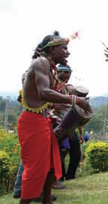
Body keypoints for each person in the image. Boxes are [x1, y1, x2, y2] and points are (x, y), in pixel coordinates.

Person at [17, 31, 91, 204]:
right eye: (64, 48)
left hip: (42, 120)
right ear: (52, 49)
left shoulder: (49, 67)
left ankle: (47, 200)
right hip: (31, 123)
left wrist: (50, 115)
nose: (68, 52)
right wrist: (75, 100)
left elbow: (38, 98)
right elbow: (43, 93)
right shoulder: (41, 62)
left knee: (51, 165)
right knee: (35, 169)